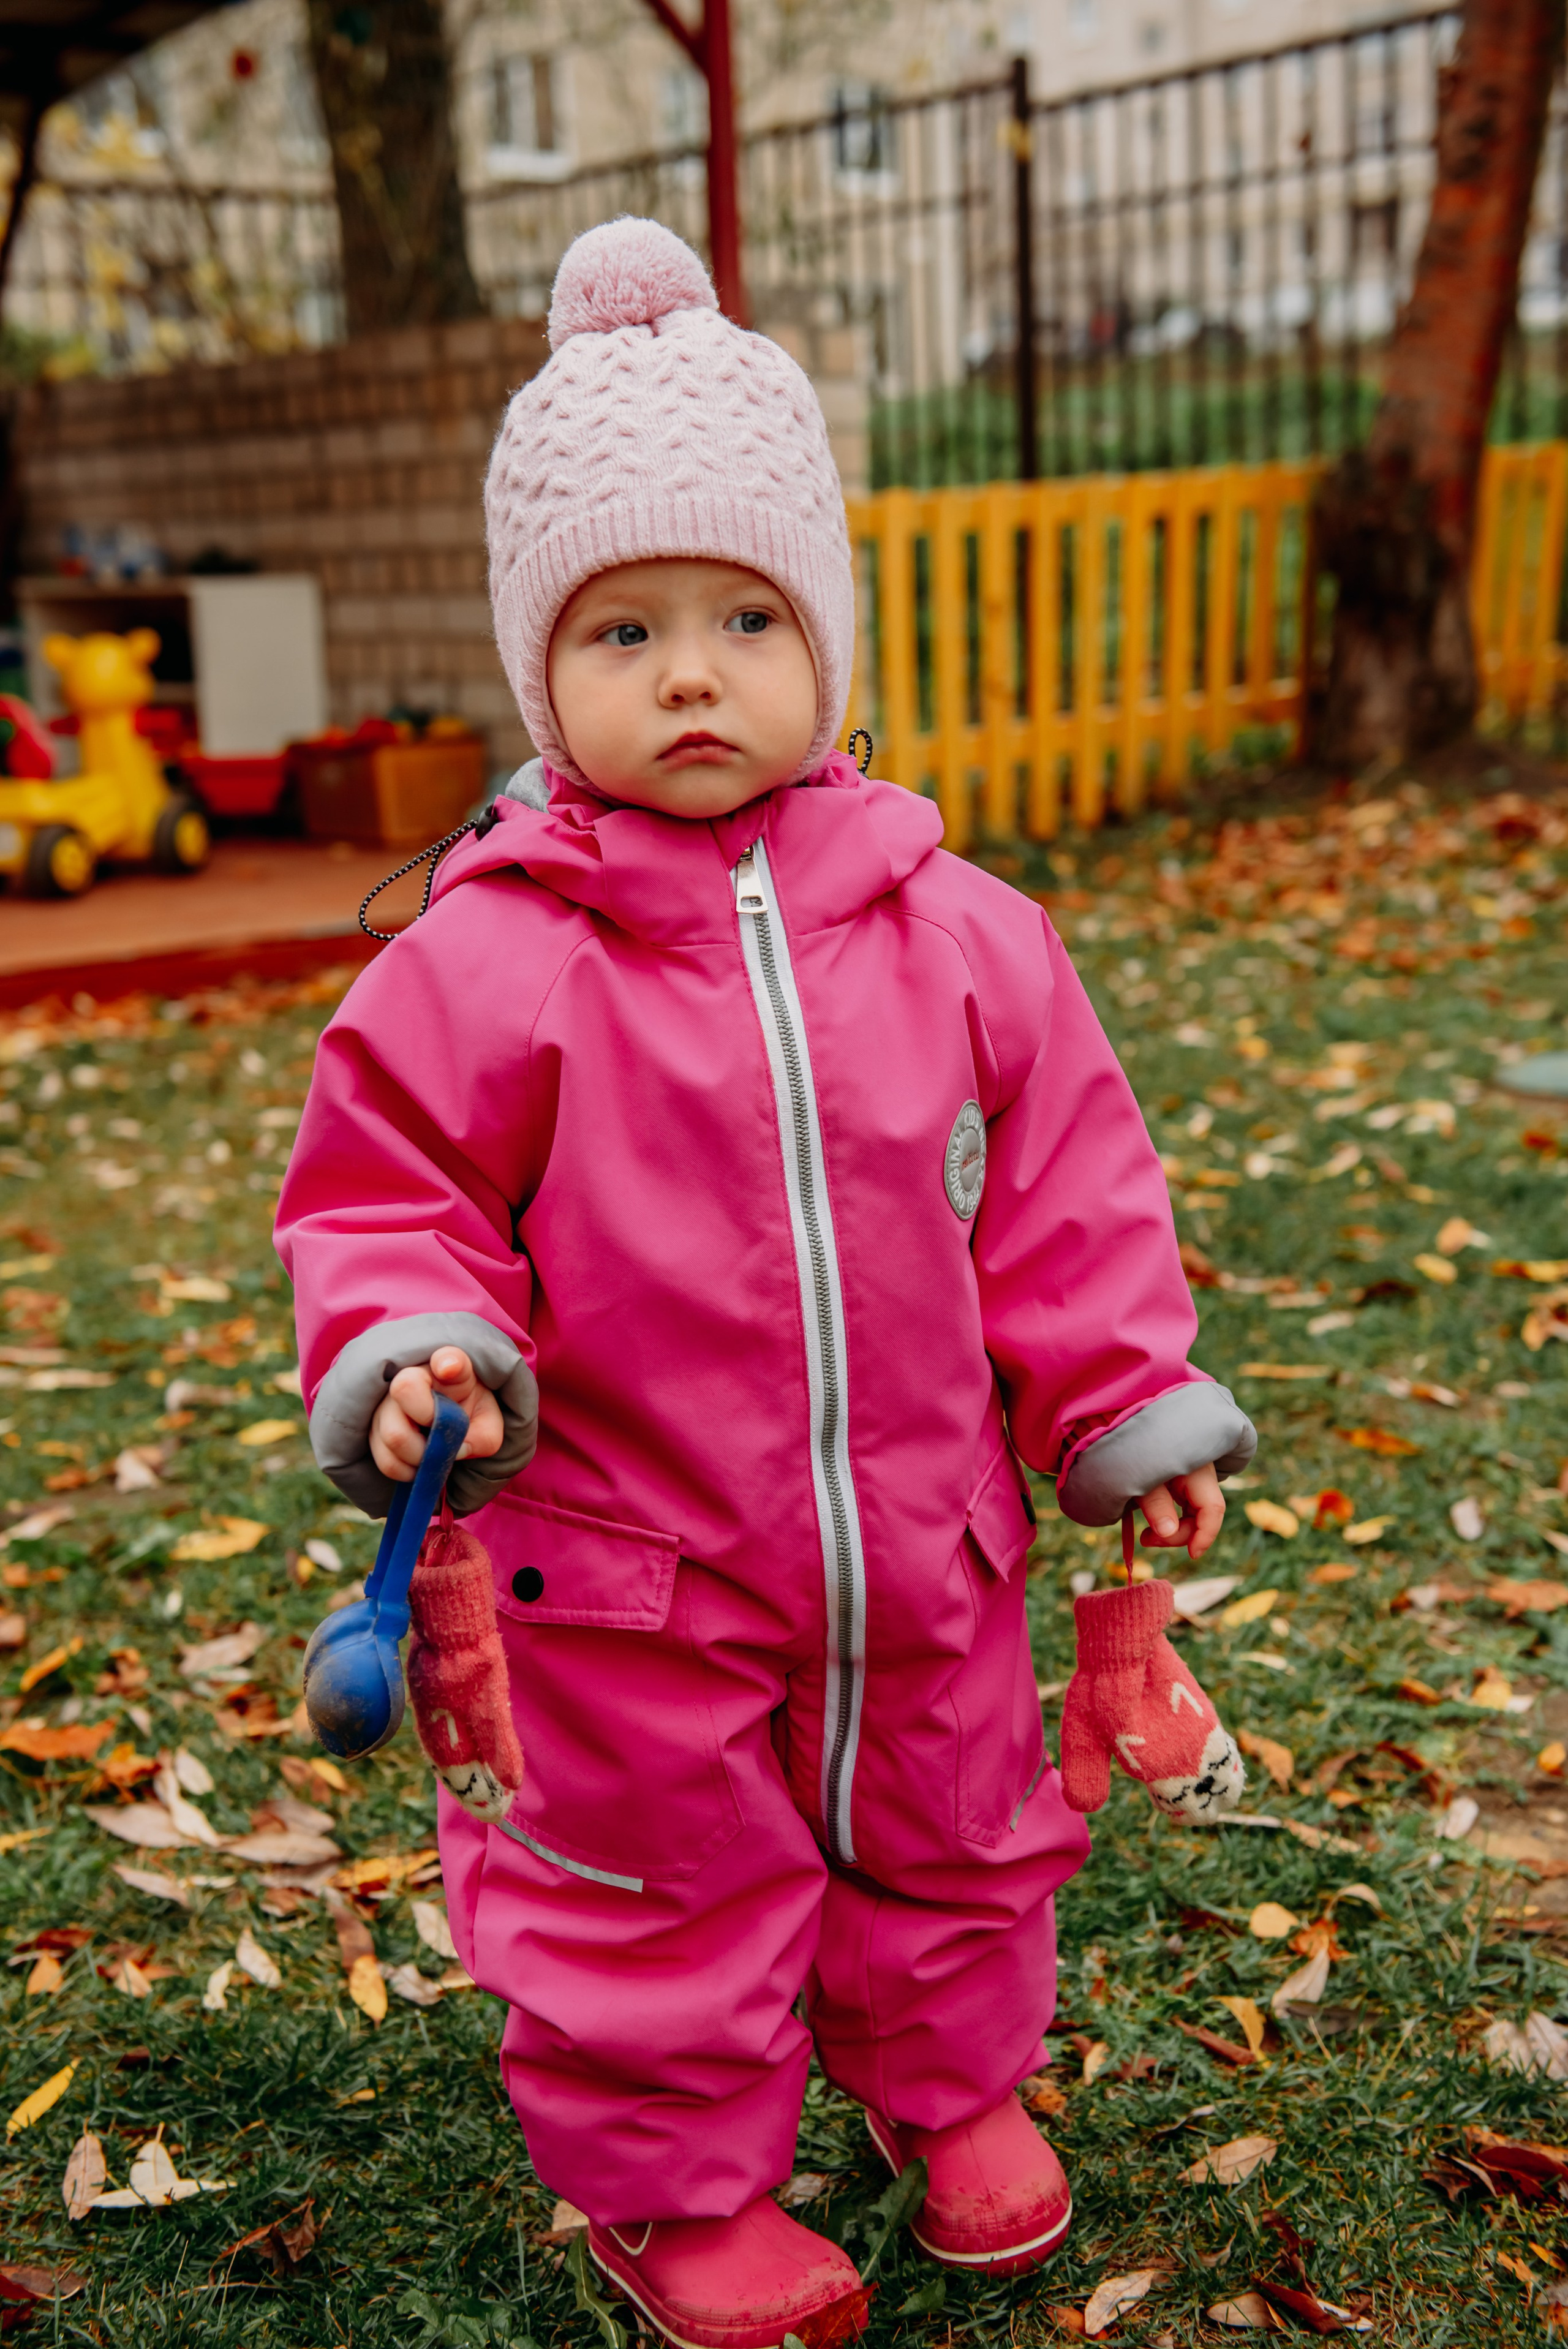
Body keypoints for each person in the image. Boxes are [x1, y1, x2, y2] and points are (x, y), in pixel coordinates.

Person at [276, 217, 1254, 2349]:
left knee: (956, 1828)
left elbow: (1069, 1188)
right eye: (623, 629)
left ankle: (946, 2083)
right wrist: (414, 1336)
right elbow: (391, 1189)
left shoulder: (961, 930)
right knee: (654, 1884)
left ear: (831, 637)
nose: (692, 670)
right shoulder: (490, 960)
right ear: (547, 671)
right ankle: (677, 2184)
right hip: (626, 1575)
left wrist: (1119, 1397)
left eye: (743, 612)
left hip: (927, 1545)